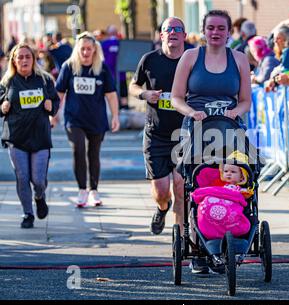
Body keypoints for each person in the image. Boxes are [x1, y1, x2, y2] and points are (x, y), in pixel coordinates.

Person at [171, 9, 251, 274]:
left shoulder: (239, 59)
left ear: (229, 32)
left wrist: (235, 112)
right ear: (203, 31)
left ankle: (227, 242)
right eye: (211, 28)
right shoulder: (191, 57)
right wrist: (190, 111)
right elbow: (176, 97)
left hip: (228, 127)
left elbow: (245, 101)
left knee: (228, 178)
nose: (215, 32)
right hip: (196, 126)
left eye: (221, 28)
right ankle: (198, 246)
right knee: (189, 182)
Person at [128, 17, 187, 235]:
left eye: (177, 29)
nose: (173, 32)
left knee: (181, 187)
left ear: (184, 35)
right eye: (168, 29)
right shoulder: (149, 59)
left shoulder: (192, 59)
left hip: (185, 136)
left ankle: (181, 238)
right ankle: (162, 209)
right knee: (162, 192)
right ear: (161, 35)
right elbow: (133, 85)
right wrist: (145, 94)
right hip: (157, 134)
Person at [54, 32, 120, 208]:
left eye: (88, 49)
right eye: (82, 49)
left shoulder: (102, 68)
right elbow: (59, 93)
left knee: (94, 154)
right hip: (74, 119)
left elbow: (111, 95)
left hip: (96, 119)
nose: (85, 52)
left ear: (94, 50)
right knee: (79, 149)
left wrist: (115, 116)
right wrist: (53, 116)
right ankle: (82, 190)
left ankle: (94, 190)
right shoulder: (69, 67)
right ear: (77, 49)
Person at [0, 43, 60, 228]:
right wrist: (2, 108)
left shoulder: (44, 80)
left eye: (28, 56)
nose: (24, 60)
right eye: (20, 57)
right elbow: (0, 104)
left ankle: (39, 196)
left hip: (40, 136)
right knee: (22, 177)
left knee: (38, 180)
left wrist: (52, 107)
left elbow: (55, 101)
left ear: (33, 59)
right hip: (16, 138)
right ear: (14, 61)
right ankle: (27, 214)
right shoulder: (7, 82)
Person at [101, 25, 129, 110]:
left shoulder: (103, 44)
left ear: (108, 33)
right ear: (116, 33)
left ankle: (113, 111)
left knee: (110, 96)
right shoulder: (122, 44)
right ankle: (124, 111)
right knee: (124, 97)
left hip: (109, 76)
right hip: (121, 76)